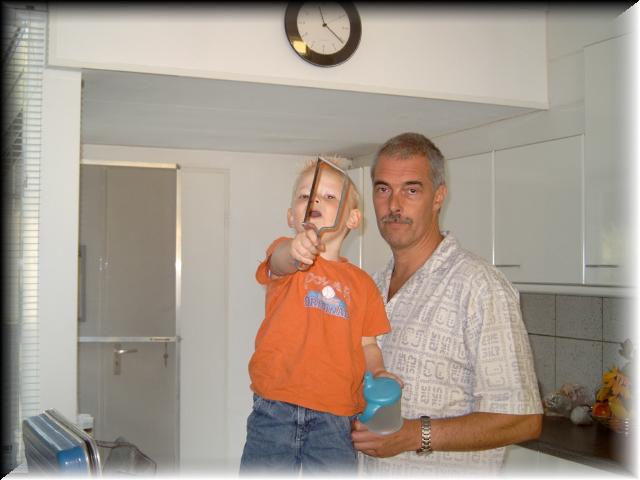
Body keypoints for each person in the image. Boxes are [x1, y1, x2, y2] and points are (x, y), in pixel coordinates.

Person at [351, 133, 543, 476]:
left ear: (438, 196)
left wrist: (415, 435)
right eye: (383, 189)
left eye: (411, 190)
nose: (394, 205)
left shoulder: (479, 287)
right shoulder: (369, 288)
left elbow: (523, 419)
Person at [240, 157, 401, 476]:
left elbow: (367, 344)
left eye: (329, 197)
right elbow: (280, 261)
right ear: (291, 216)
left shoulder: (364, 285)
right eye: (305, 196)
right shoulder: (285, 253)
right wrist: (294, 251)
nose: (314, 201)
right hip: (274, 405)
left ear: (353, 219)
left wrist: (378, 371)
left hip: (336, 415)